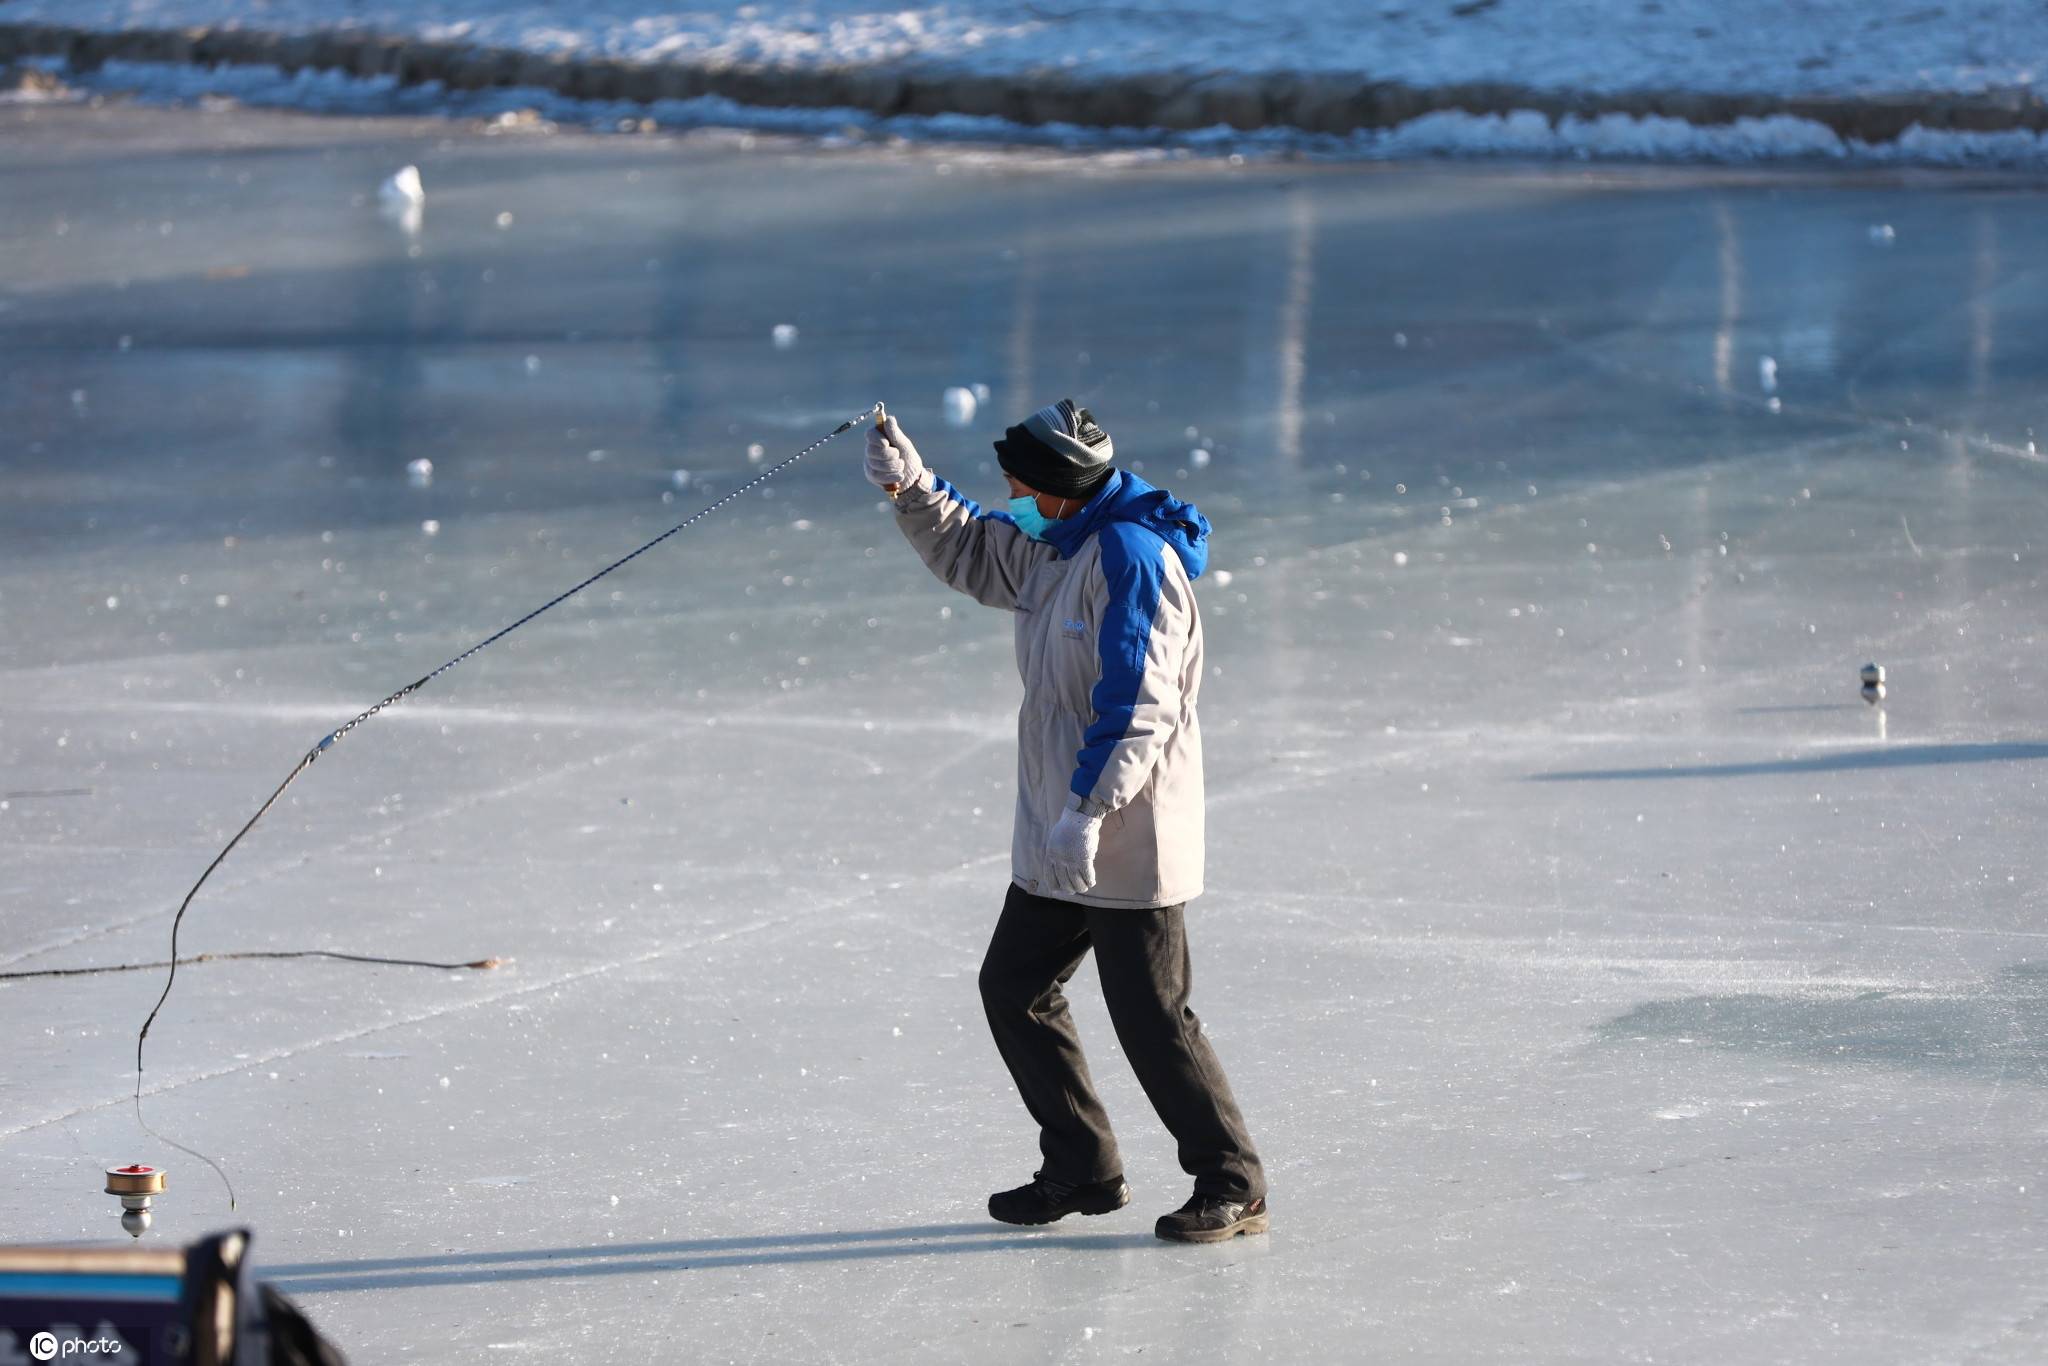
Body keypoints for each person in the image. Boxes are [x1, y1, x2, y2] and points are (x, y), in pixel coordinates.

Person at [865, 398, 1267, 1244]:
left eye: (1017, 483)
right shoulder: (1060, 539)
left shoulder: (1130, 559)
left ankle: (1233, 1181)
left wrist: (1088, 812)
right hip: (1061, 826)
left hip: (1126, 829)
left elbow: (1139, 707)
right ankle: (1083, 1167)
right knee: (1014, 987)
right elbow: (977, 551)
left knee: (1153, 1017)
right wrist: (912, 488)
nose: (1006, 494)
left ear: (1055, 486)